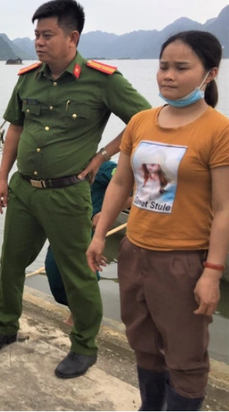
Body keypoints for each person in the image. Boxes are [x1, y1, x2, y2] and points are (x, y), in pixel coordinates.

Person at [0, 0, 151, 379]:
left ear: (72, 37)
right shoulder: (27, 78)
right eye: (36, 34)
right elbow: (15, 130)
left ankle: (84, 345)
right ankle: (4, 326)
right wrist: (3, 177)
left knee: (77, 270)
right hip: (24, 190)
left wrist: (104, 154)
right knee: (11, 263)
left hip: (69, 193)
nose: (38, 41)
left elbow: (144, 120)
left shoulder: (102, 80)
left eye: (47, 34)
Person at [87, 31, 228, 411]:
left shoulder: (219, 130)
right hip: (135, 252)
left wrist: (212, 273)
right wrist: (100, 234)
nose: (168, 75)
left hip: (183, 261)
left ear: (209, 74)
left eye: (182, 68)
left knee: (186, 358)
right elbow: (120, 182)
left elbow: (224, 208)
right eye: (163, 66)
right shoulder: (141, 122)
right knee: (144, 346)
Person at [43, 160, 132, 325]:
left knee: (85, 274)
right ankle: (77, 309)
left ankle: (82, 315)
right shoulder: (68, 165)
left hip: (86, 229)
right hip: (62, 225)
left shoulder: (107, 169)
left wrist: (105, 213)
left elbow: (133, 194)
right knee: (53, 270)